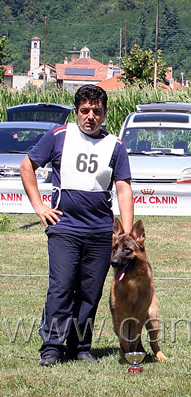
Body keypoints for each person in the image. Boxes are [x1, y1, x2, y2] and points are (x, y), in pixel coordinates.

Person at [19, 85, 134, 367]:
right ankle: (51, 347)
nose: (90, 116)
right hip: (64, 229)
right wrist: (39, 206)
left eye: (96, 111)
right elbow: (26, 166)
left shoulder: (115, 146)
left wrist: (126, 235)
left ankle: (80, 346)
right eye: (85, 111)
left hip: (99, 232)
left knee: (90, 292)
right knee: (61, 287)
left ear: (105, 113)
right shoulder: (59, 136)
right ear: (76, 112)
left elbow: (123, 188)